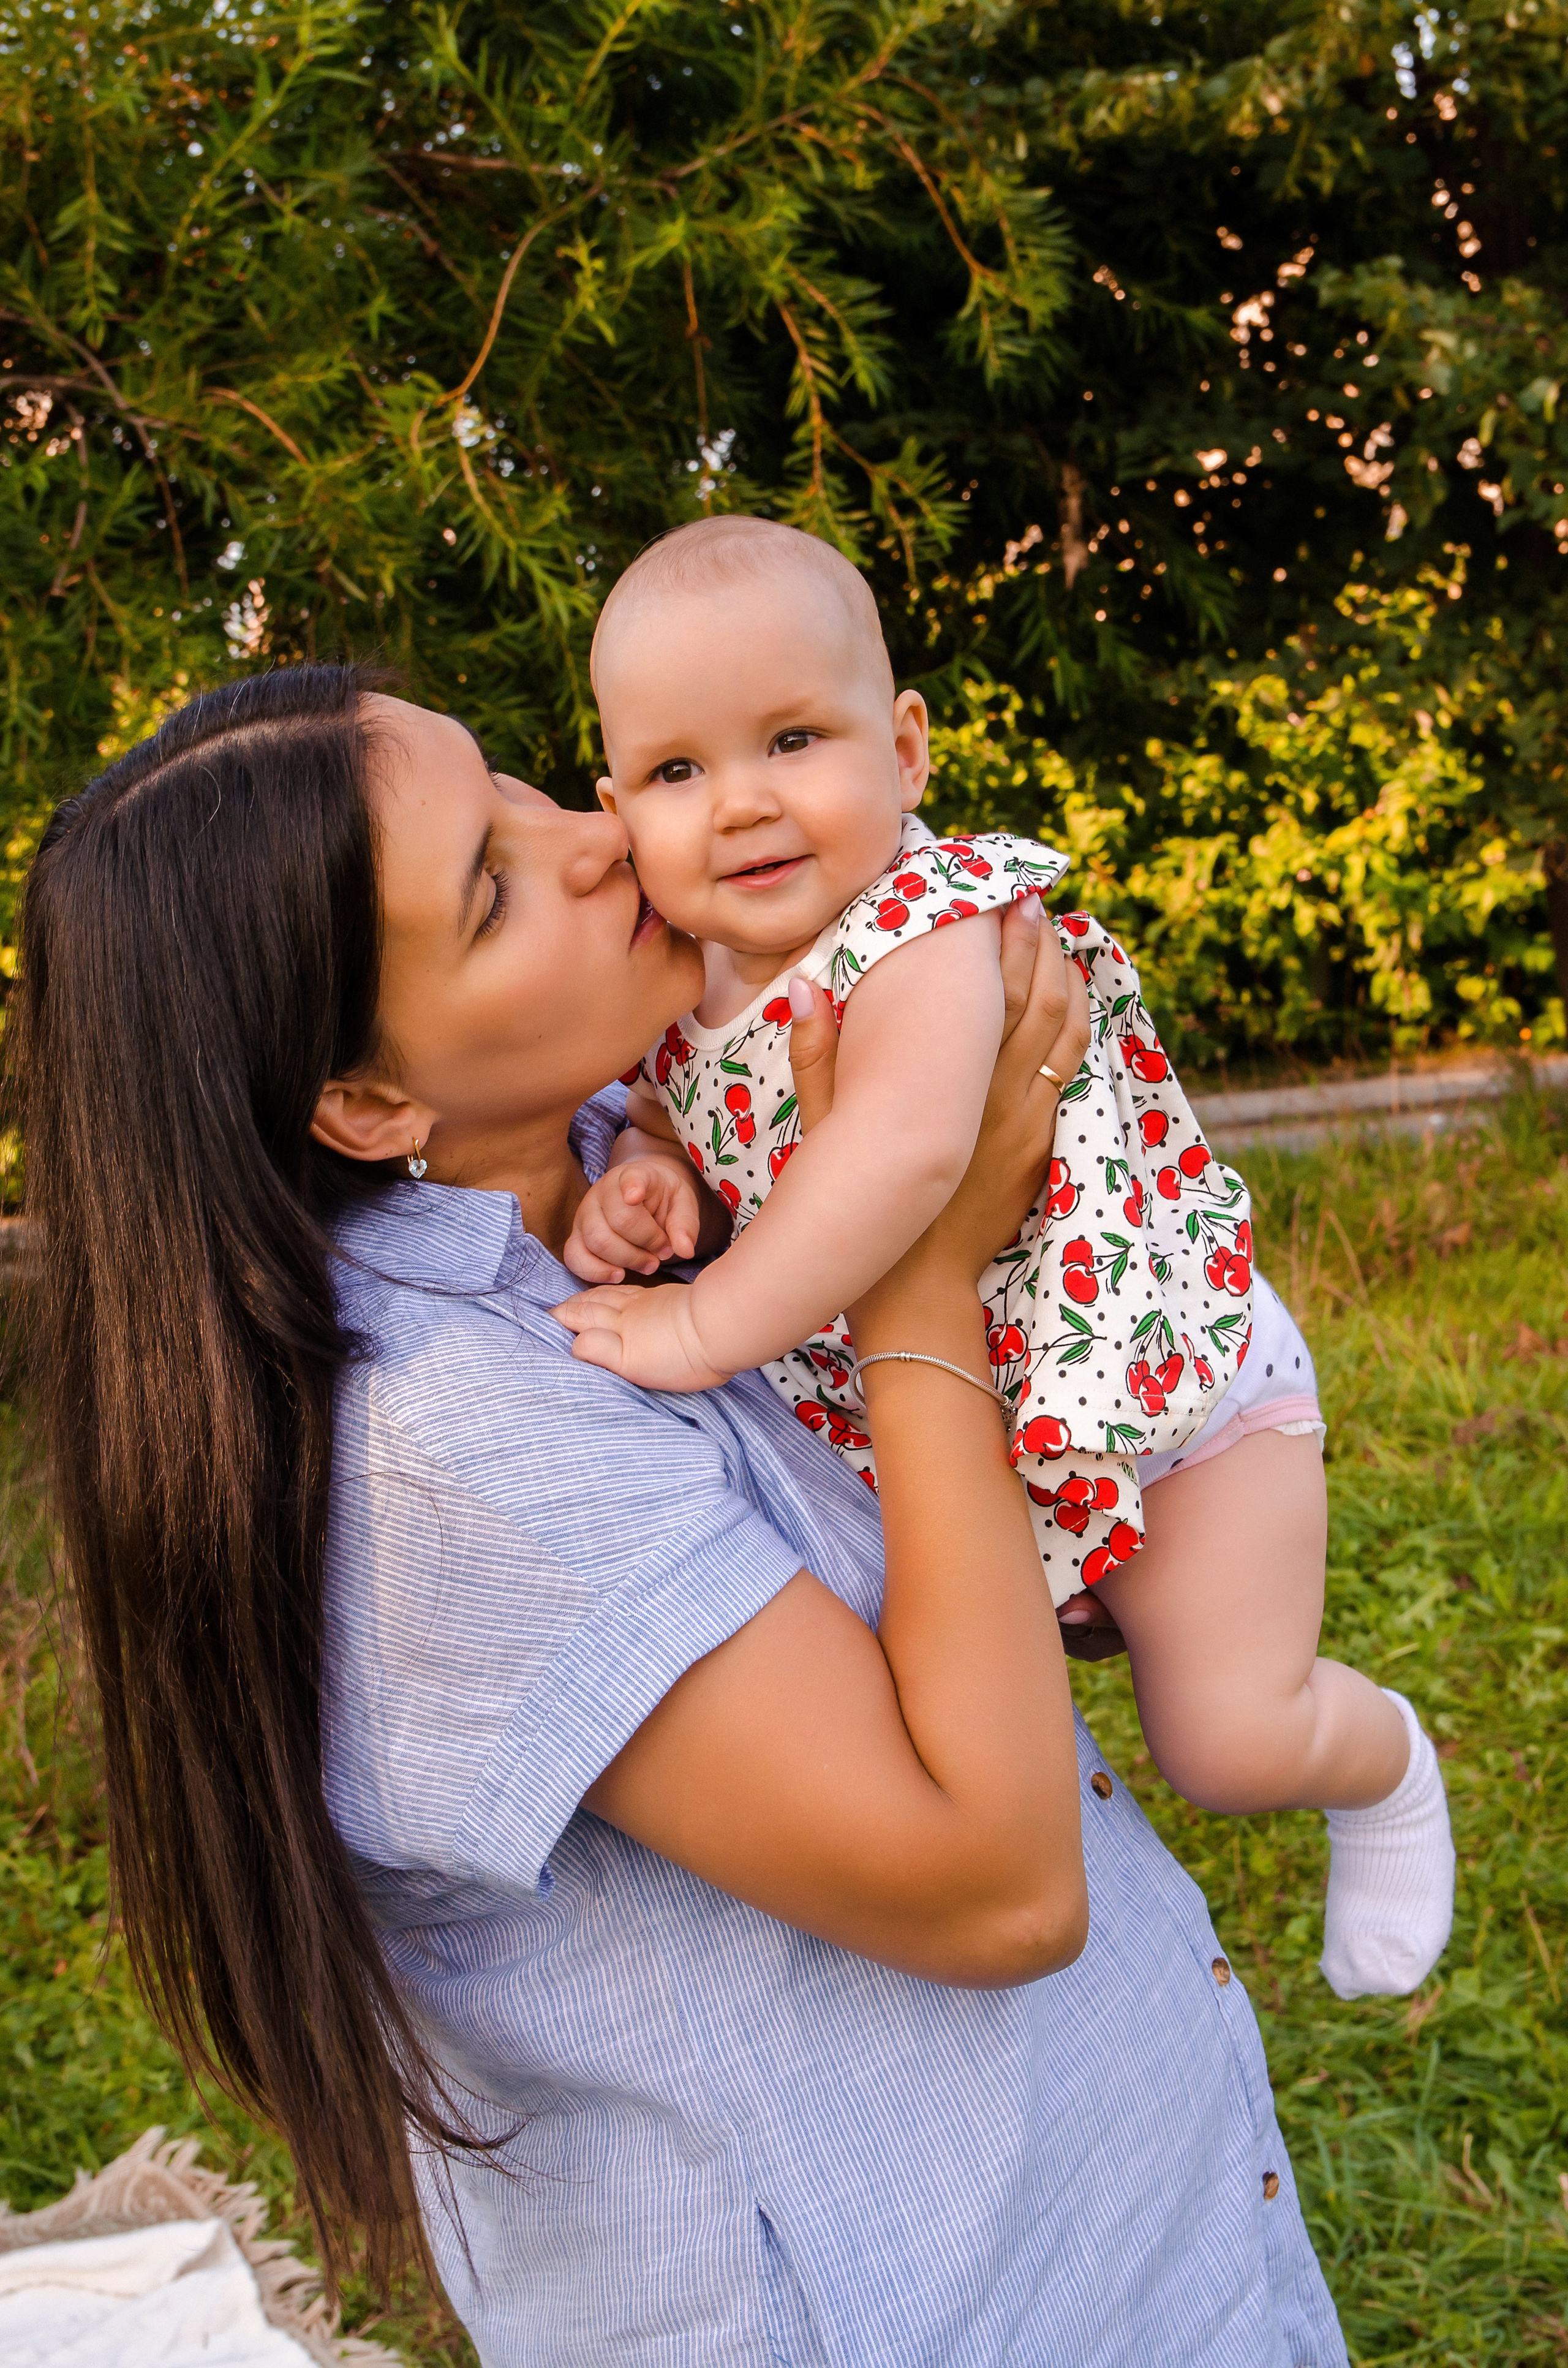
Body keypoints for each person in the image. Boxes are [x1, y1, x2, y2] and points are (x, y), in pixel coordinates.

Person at [15, 665, 1349, 2366]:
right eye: (491, 891)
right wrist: (919, 1263)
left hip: (1099, 2253)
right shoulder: (459, 1444)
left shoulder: (628, 1159)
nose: (590, 842)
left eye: (517, 787)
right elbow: (994, 1886)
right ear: (364, 1104)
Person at [557, 516, 1454, 2005]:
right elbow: (677, 1103)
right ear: (616, 806)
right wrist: (651, 1177)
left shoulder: (922, 924)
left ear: (904, 749)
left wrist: (705, 1319)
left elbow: (906, 1158)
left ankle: (1383, 1766)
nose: (741, 805)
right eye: (676, 771)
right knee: (986, 1709)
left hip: (1164, 1392)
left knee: (1226, 1738)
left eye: (793, 737)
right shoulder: (680, 976)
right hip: (981, 1432)